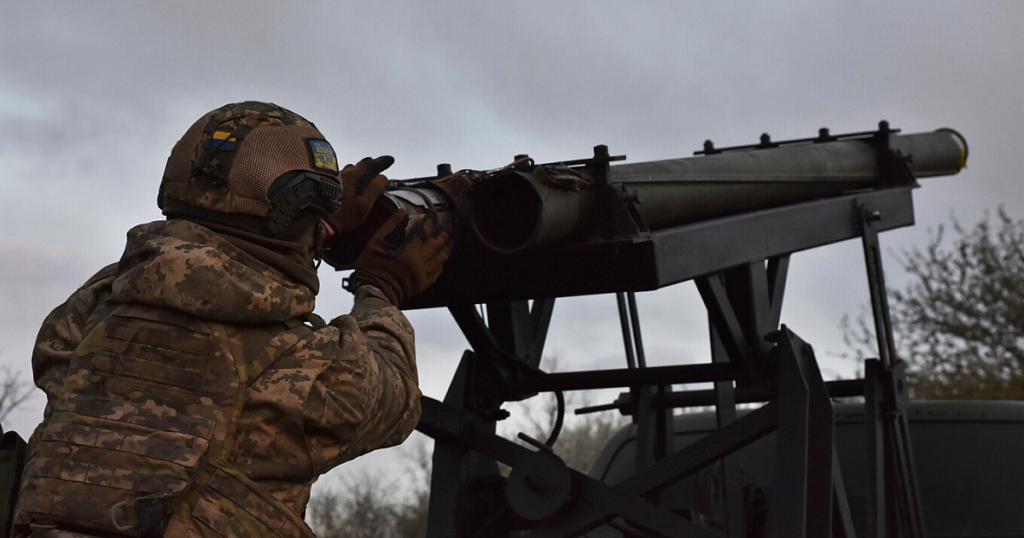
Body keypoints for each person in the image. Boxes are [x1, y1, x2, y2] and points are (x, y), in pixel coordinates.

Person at [11, 101, 451, 538]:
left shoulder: (82, 326)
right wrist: (381, 287)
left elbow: (155, 272)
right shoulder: (306, 370)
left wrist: (311, 224)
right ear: (297, 217)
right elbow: (393, 399)